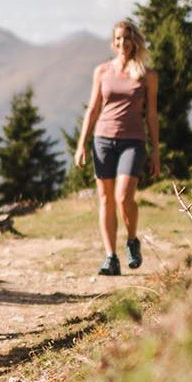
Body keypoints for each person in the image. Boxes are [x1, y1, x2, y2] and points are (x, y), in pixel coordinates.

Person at [72, 18, 159, 276]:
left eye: (127, 37)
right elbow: (93, 108)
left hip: (133, 140)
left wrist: (156, 150)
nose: (123, 43)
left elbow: (151, 115)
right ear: (113, 43)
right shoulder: (102, 72)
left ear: (135, 41)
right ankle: (110, 257)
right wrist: (81, 144)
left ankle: (132, 240)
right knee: (106, 199)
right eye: (118, 38)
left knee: (124, 197)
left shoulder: (147, 75)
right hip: (103, 140)